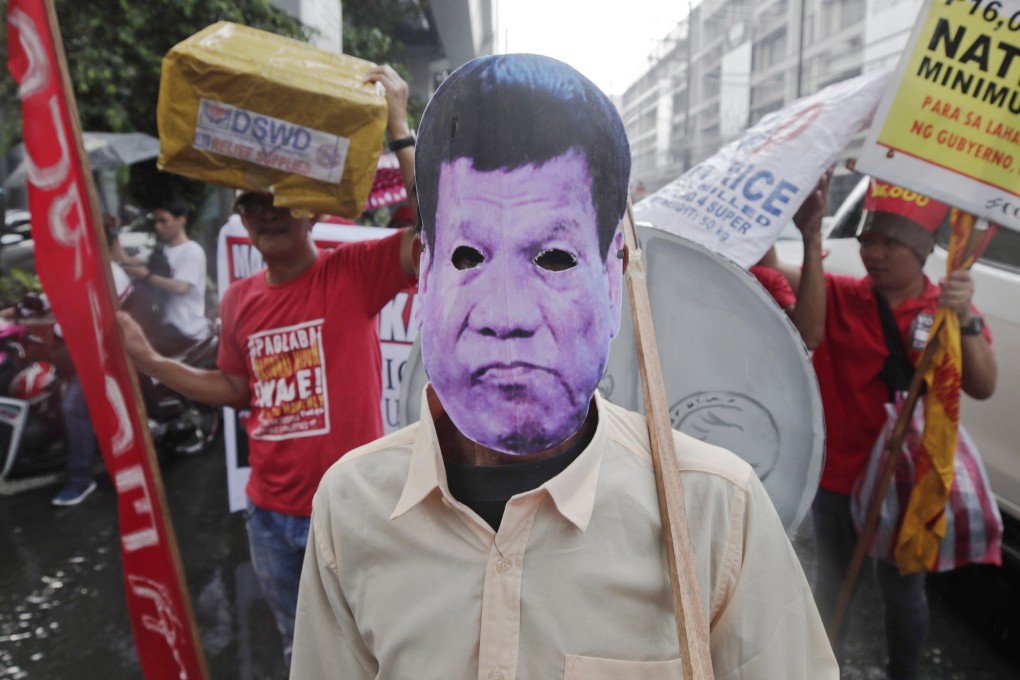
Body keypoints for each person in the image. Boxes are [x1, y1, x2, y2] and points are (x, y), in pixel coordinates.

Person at [290, 54, 837, 679]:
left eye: (552, 258)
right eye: (468, 256)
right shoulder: (351, 508)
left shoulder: (715, 512)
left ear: (614, 275)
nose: (505, 315)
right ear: (425, 273)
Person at [116, 65, 418, 667]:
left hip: (347, 513)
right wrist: (149, 361)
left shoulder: (353, 272)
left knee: (371, 653)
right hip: (269, 519)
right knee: (298, 650)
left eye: (281, 200)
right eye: (252, 205)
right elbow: (236, 388)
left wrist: (399, 126)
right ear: (243, 220)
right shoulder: (238, 300)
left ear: (311, 210)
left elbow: (439, 230)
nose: (267, 213)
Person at [768, 177, 997, 680]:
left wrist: (965, 318)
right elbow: (771, 267)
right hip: (837, 477)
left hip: (907, 482)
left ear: (922, 250)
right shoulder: (839, 293)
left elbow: (983, 385)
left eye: (889, 242)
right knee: (833, 586)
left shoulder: (946, 310)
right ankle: (825, 669)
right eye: (867, 239)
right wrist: (803, 226)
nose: (873, 252)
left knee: (902, 591)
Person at [52, 219, 134, 506]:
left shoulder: (113, 276)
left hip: (101, 356)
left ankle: (81, 479)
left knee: (73, 407)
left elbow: (105, 322)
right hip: (72, 351)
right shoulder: (76, 270)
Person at [122, 197, 209, 356]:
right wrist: (113, 232)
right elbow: (126, 262)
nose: (158, 226)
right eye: (156, 221)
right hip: (164, 324)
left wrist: (147, 277)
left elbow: (181, 287)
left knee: (135, 353)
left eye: (163, 221)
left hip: (185, 328)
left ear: (181, 220)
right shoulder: (161, 251)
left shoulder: (191, 251)